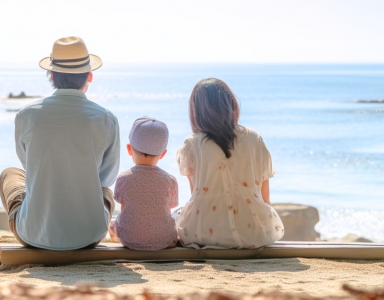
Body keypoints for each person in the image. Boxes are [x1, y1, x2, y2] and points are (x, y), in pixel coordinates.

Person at [0, 36, 120, 250]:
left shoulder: (26, 116)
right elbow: (106, 178)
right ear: (89, 76)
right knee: (106, 192)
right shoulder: (106, 119)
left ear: (52, 75)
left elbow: (30, 166)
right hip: (89, 236)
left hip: (34, 235)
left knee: (10, 174)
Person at [175, 78, 284, 249]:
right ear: (232, 105)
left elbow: (196, 194)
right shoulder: (254, 138)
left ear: (196, 112)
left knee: (176, 214)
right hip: (254, 233)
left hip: (204, 233)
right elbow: (265, 196)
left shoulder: (192, 144)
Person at [109, 117, 179, 250]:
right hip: (163, 239)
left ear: (129, 149)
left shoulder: (124, 178)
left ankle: (119, 238)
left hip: (130, 239)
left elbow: (125, 210)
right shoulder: (170, 180)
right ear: (163, 154)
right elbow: (167, 210)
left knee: (114, 223)